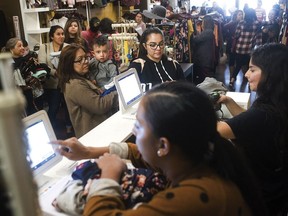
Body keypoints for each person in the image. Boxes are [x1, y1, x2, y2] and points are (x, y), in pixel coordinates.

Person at [54, 81, 267, 215]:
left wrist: (108, 176)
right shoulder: (196, 159)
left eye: (138, 125)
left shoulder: (196, 197)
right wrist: (89, 152)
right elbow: (140, 153)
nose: (133, 131)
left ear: (163, 145)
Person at [217, 43, 288, 215]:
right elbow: (247, 122)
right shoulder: (277, 104)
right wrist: (228, 101)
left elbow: (216, 130)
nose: (247, 74)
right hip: (277, 190)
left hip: (260, 197)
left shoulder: (263, 114)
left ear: (270, 74)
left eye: (252, 69)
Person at [57, 43, 118, 138]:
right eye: (80, 60)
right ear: (69, 63)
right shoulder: (75, 85)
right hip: (93, 137)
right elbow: (99, 105)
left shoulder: (82, 78)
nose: (85, 62)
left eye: (86, 58)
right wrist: (117, 93)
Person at [2, 38, 46, 115]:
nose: (23, 48)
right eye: (19, 46)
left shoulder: (26, 60)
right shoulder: (7, 65)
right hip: (18, 99)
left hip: (33, 96)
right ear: (11, 49)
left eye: (22, 45)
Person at [38, 25, 67, 129]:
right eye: (58, 34)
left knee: (68, 108)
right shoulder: (44, 47)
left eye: (63, 34)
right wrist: (54, 72)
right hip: (51, 83)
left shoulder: (67, 47)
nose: (61, 36)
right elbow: (42, 65)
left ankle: (68, 129)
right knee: (53, 108)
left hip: (65, 82)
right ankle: (50, 129)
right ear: (52, 36)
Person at [228, 8, 262, 91]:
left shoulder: (241, 23)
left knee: (238, 65)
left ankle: (232, 81)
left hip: (239, 48)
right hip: (249, 50)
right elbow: (258, 39)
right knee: (248, 66)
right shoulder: (257, 24)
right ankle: (249, 83)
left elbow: (236, 35)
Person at [191, 15, 217, 85]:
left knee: (205, 81)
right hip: (206, 60)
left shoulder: (207, 32)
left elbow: (195, 40)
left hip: (204, 60)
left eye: (202, 22)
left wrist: (191, 34)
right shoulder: (209, 32)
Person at [223, 10, 244, 83]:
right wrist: (229, 36)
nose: (241, 16)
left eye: (241, 14)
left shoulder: (243, 23)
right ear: (235, 16)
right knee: (231, 61)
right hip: (231, 44)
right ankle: (232, 76)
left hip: (240, 45)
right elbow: (224, 28)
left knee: (239, 61)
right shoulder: (232, 23)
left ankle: (234, 77)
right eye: (239, 15)